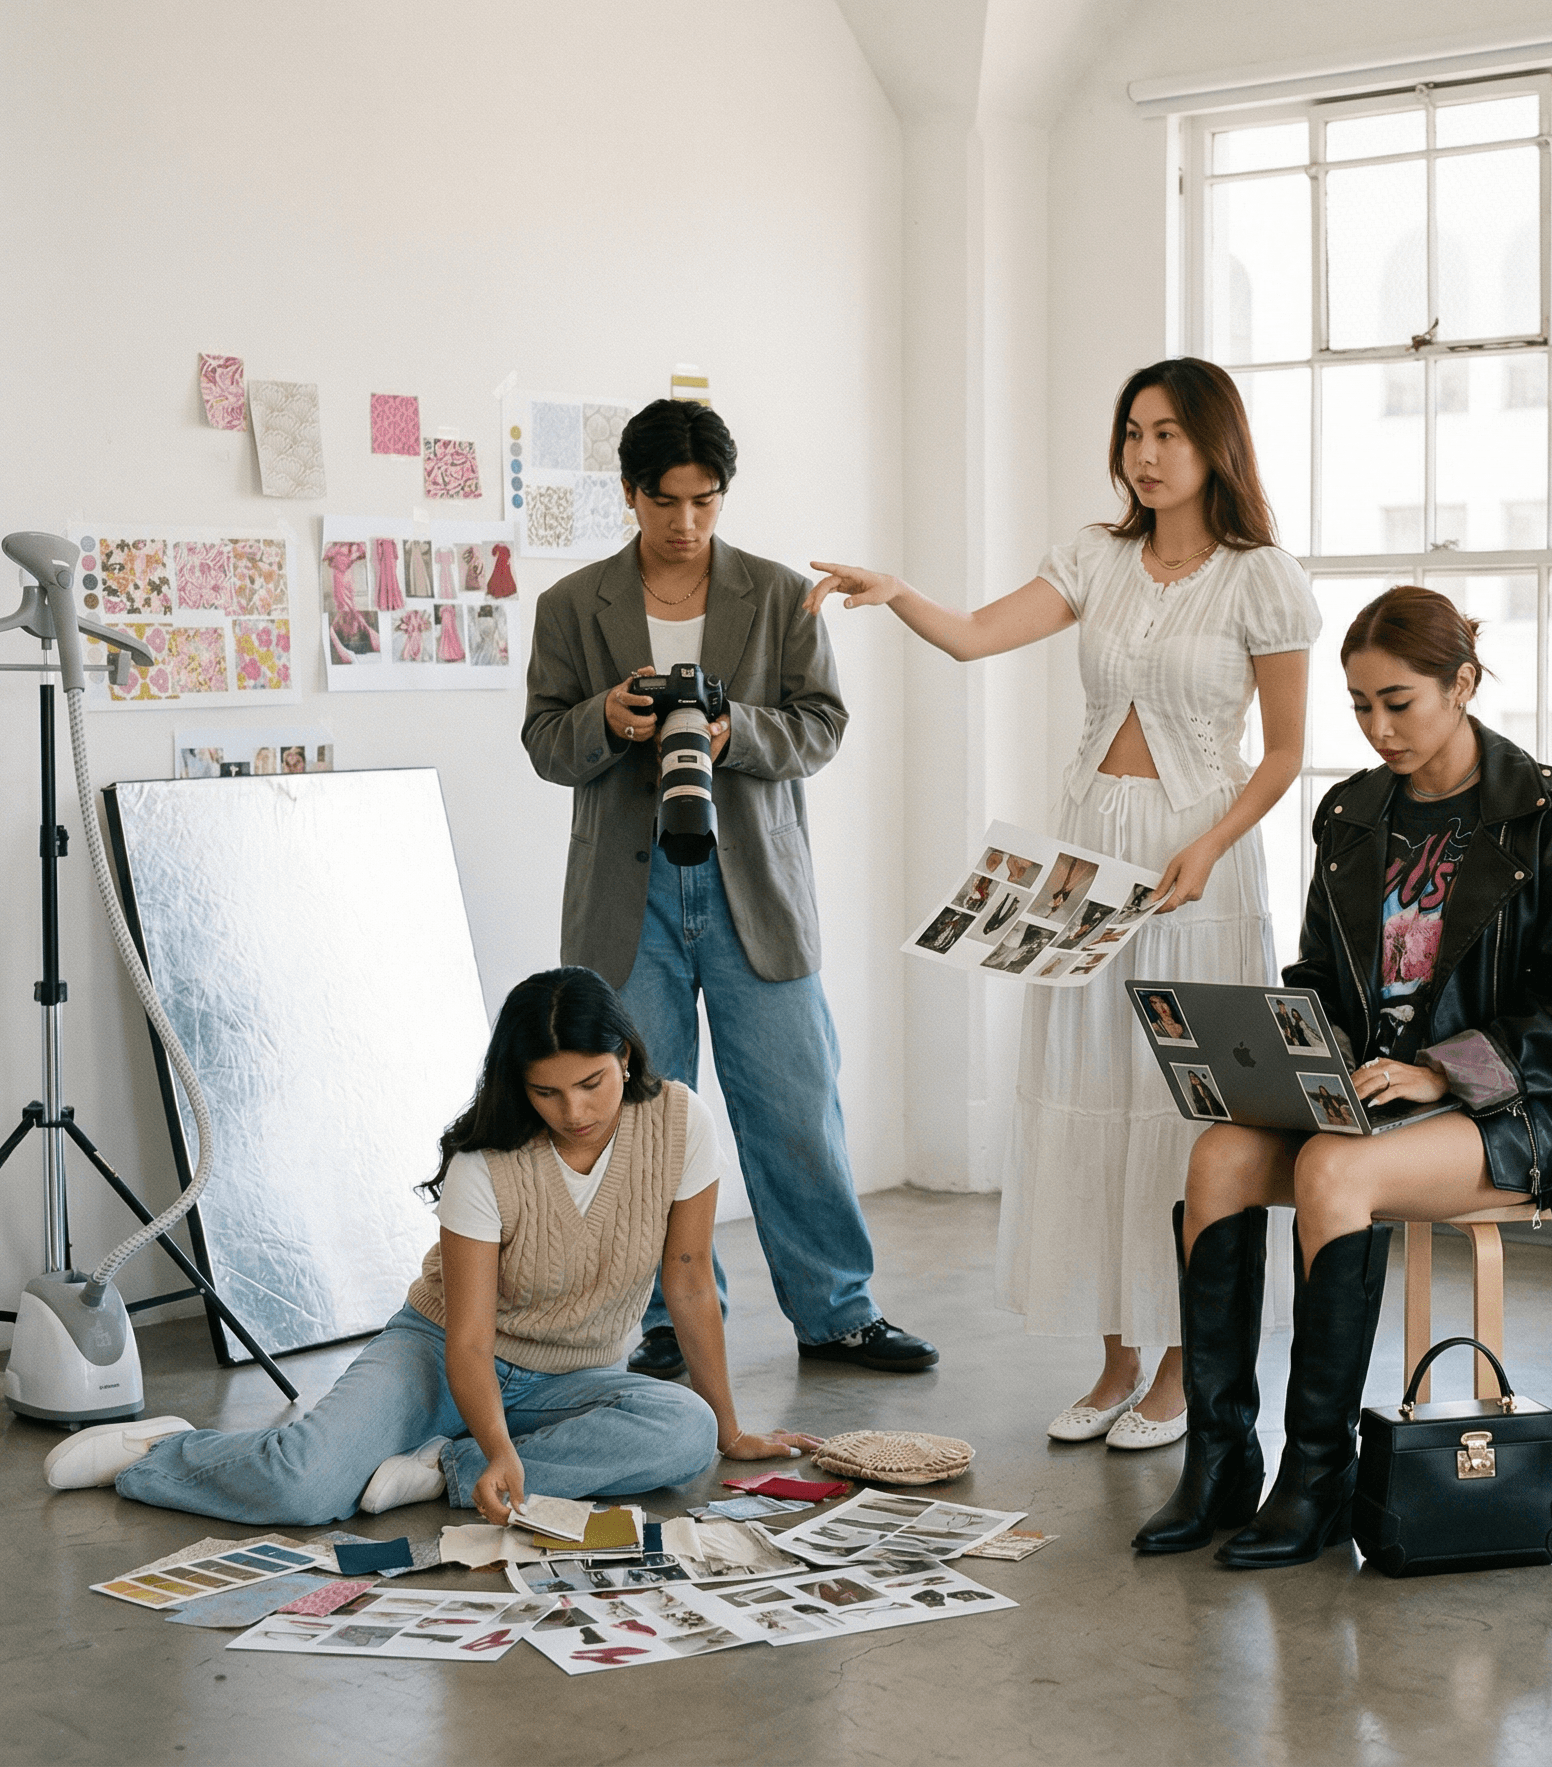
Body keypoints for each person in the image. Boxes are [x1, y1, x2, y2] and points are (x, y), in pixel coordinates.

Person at [807, 358, 1315, 1451]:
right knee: (1092, 1093)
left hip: (1201, 863)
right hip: (1089, 851)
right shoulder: (1096, 554)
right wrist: (896, 593)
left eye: (1170, 432)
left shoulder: (1261, 576)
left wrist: (1209, 843)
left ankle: (1183, 1367)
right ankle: (1115, 1359)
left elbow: (1282, 755)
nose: (1145, 451)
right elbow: (980, 633)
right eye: (1133, 430)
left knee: (1184, 1110)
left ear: (1215, 442)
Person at [1136, 586, 1552, 1568]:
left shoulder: (1544, 813)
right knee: (1221, 1153)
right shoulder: (1352, 815)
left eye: (1399, 701)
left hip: (1514, 1106)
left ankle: (1316, 1479)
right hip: (1367, 1094)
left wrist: (1437, 1071)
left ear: (1465, 684)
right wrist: (1290, 1052)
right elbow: (1322, 973)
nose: (1378, 726)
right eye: (1360, 704)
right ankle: (1222, 1459)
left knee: (1333, 1172)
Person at [42, 968, 814, 1520]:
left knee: (686, 1435)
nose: (574, 1109)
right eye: (547, 1091)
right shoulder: (485, 1162)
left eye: (593, 1083)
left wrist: (732, 1426)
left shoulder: (680, 1121)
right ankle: (159, 1454)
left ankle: (442, 1468)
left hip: (573, 1377)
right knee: (305, 1489)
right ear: (518, 1083)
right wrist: (495, 1436)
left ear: (627, 1060)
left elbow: (685, 1282)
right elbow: (471, 1339)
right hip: (442, 1354)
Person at [524, 400, 935, 1378]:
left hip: (756, 886)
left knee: (797, 1109)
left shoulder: (783, 596)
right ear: (629, 494)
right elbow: (545, 741)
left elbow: (823, 725)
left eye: (705, 502)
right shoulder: (573, 605)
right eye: (666, 502)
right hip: (631, 901)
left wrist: (734, 731)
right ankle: (670, 1321)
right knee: (649, 1121)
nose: (686, 524)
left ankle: (839, 1310)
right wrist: (609, 721)